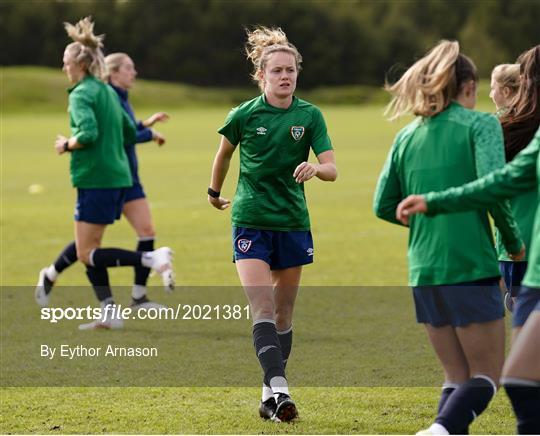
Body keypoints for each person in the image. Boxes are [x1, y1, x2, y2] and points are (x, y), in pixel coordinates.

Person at [373, 40, 524, 435]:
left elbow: (382, 204)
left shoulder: (407, 135)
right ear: (470, 88)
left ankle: (443, 429)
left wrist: (426, 223)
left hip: (423, 269)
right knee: (486, 377)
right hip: (469, 262)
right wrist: (513, 243)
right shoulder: (481, 124)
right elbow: (494, 190)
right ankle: (438, 430)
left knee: (456, 377)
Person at [207, 26, 337, 422]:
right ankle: (281, 391)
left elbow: (332, 168)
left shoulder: (309, 115)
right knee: (261, 307)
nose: (285, 76)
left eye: (291, 70)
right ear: (261, 75)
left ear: (298, 73)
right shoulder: (244, 114)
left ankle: (268, 395)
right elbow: (224, 155)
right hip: (250, 221)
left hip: (293, 223)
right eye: (277, 70)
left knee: (283, 315)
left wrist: (316, 167)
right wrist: (214, 193)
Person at [396, 126, 540, 435]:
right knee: (521, 381)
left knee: (517, 378)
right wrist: (435, 201)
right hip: (534, 279)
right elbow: (500, 181)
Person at [35, 17, 174, 329]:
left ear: (79, 64)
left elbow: (87, 133)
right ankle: (110, 311)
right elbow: (128, 132)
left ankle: (150, 259)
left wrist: (66, 144)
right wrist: (149, 129)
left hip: (95, 178)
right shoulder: (109, 92)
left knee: (86, 252)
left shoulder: (82, 93)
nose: (63, 69)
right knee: (89, 248)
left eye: (65, 63)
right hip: (117, 178)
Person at [490, 49, 540, 312]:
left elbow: (489, 186)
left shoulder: (498, 127)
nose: (490, 94)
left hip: (517, 240)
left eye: (493, 88)